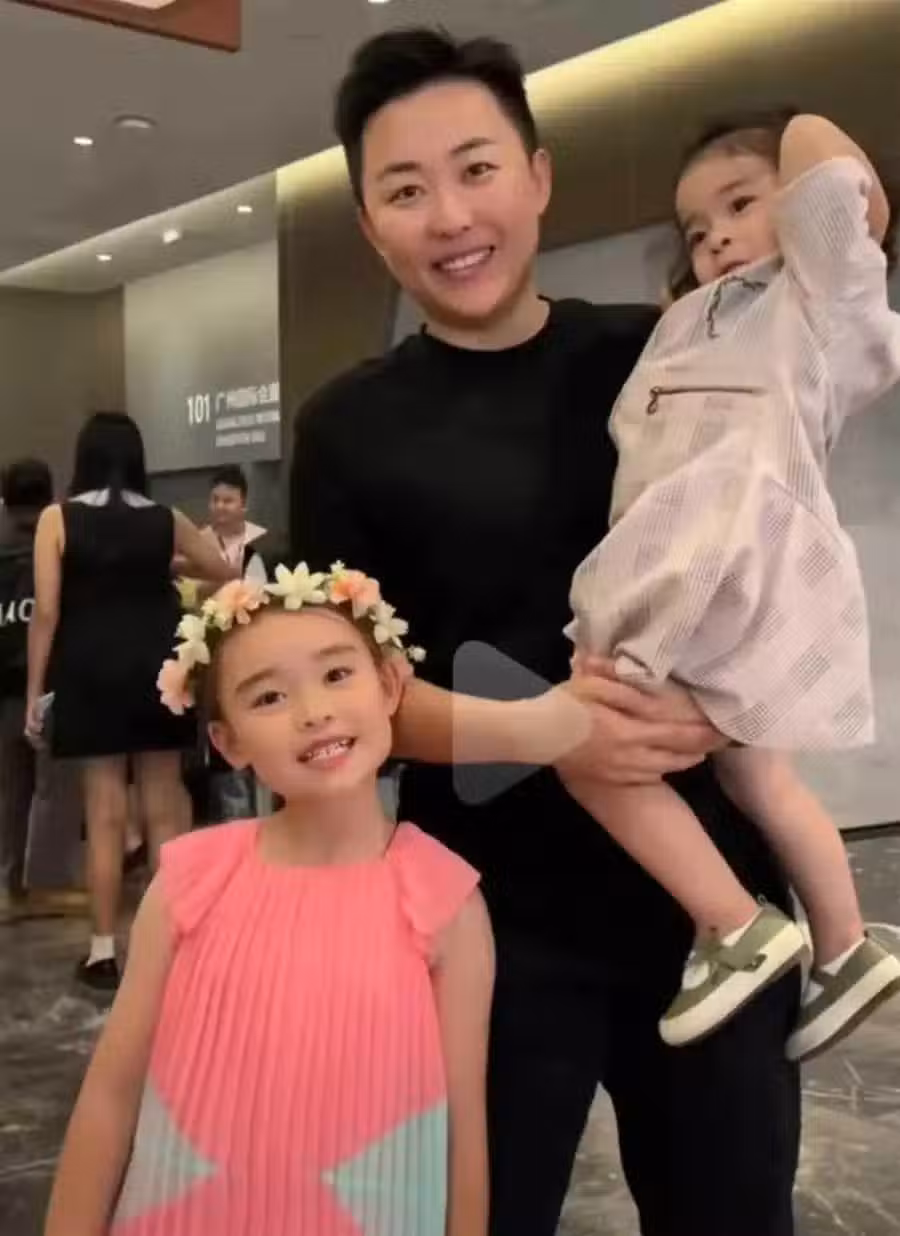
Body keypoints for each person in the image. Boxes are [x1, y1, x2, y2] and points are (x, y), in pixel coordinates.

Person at [290, 27, 803, 1236]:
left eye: (477, 170)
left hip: (709, 902)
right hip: (487, 917)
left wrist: (725, 701)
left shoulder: (661, 352)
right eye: (405, 191)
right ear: (369, 226)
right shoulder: (347, 427)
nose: (451, 216)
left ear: (538, 177)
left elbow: (770, 555)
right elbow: (345, 695)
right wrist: (552, 730)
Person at [564, 111, 900, 1059]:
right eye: (695, 226)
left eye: (740, 203)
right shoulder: (701, 319)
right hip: (702, 560)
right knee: (754, 768)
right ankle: (844, 945)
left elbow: (830, 168)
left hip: (717, 559)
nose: (713, 235)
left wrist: (790, 157)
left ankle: (734, 925)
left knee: (589, 747)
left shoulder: (821, 302)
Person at [44, 564, 494, 1236]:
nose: (313, 712)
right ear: (228, 743)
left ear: (389, 686)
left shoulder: (443, 898)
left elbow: (462, 1131)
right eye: (269, 697)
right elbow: (112, 1094)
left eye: (337, 674)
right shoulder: (192, 879)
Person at [26, 412, 233, 991]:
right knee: (165, 806)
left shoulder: (56, 519)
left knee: (105, 812)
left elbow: (47, 611)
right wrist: (165, 562)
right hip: (159, 668)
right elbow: (221, 569)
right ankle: (171, 945)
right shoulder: (166, 519)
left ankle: (102, 952)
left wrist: (36, 690)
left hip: (89, 670)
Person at [0, 458, 83, 921]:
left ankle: (7, 885)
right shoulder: (57, 542)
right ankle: (47, 885)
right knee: (54, 786)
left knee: (9, 791)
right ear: (51, 495)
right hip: (48, 683)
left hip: (2, 690)